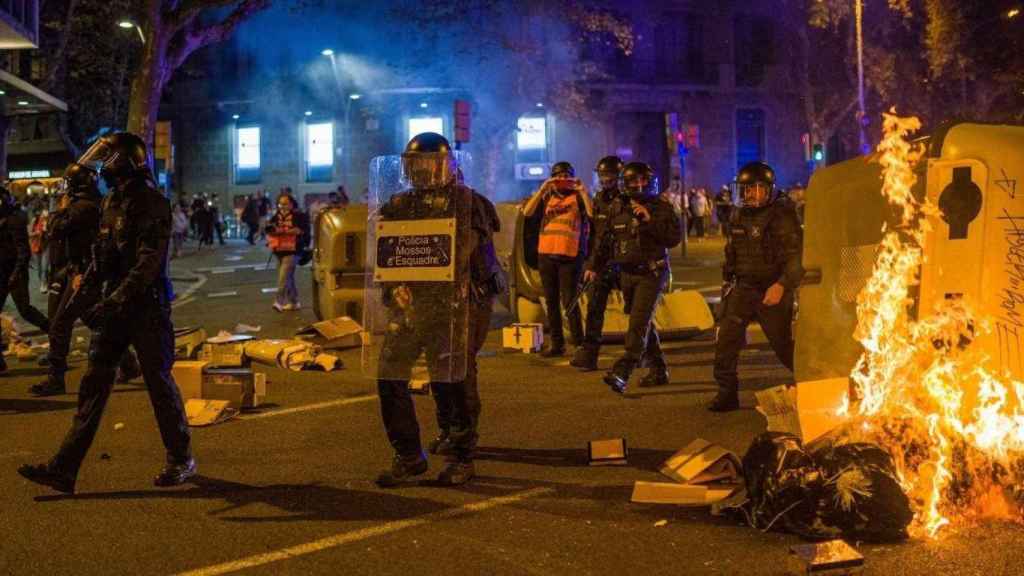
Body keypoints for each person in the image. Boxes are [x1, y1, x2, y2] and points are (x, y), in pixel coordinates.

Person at [18, 132, 194, 493]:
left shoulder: (152, 203)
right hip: (115, 308)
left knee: (158, 384)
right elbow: (102, 258)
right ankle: (64, 469)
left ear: (125, 161)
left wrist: (111, 301)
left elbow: (147, 266)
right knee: (92, 387)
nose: (100, 164)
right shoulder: (111, 201)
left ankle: (181, 458)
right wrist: (82, 302)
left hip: (146, 309)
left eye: (107, 156)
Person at [373, 132, 505, 488]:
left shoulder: (469, 203)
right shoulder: (400, 205)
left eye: (431, 163)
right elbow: (388, 256)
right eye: (415, 165)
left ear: (448, 165)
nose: (423, 171)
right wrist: (393, 289)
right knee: (389, 376)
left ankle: (462, 454)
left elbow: (461, 254)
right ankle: (408, 455)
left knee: (454, 376)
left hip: (462, 303)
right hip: (413, 305)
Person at [710, 161, 804, 412]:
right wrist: (727, 284)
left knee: (784, 346)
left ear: (768, 189)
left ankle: (816, 384)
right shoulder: (739, 213)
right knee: (726, 342)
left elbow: (797, 257)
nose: (750, 194)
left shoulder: (782, 213)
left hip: (771, 287)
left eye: (755, 189)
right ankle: (727, 394)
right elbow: (733, 252)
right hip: (743, 287)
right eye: (746, 189)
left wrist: (782, 285)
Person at [595, 162, 683, 394]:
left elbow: (673, 238)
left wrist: (649, 221)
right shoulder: (617, 208)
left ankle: (623, 370)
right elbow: (605, 240)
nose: (640, 185)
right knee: (642, 322)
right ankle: (659, 369)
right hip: (627, 273)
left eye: (644, 180)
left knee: (637, 324)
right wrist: (593, 265)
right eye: (634, 181)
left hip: (652, 272)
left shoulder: (661, 207)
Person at [521, 161, 593, 357]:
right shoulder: (546, 197)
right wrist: (543, 187)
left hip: (570, 256)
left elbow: (592, 213)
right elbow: (527, 212)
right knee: (551, 301)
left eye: (566, 175)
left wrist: (583, 191)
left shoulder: (578, 197)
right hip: (546, 255)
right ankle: (557, 344)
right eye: (558, 175)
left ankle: (579, 344)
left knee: (569, 301)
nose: (562, 179)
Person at [570, 155, 623, 372]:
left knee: (638, 314)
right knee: (594, 310)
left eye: (609, 176)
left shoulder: (627, 199)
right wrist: (590, 264)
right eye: (602, 176)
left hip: (623, 262)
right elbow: (597, 234)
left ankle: (650, 356)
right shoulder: (601, 198)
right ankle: (589, 354)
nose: (605, 180)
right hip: (602, 263)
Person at [0, 186, 50, 342]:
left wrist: (15, 274)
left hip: (16, 273)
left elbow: (23, 251)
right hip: (3, 272)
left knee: (25, 310)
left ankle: (55, 333)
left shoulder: (14, 219)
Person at [266, 192, 309, 311]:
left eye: (285, 204)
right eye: (280, 204)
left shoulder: (299, 216)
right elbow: (269, 229)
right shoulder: (276, 216)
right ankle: (294, 302)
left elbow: (304, 230)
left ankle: (279, 302)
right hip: (279, 251)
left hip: (294, 250)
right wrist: (271, 229)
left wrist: (294, 231)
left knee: (283, 277)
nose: (282, 206)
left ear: (291, 204)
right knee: (288, 277)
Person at [29, 209, 49, 283]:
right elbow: (29, 234)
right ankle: (42, 280)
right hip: (36, 246)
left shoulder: (48, 222)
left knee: (45, 266)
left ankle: (44, 283)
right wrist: (36, 233)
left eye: (46, 216)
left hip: (46, 246)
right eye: (43, 216)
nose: (44, 218)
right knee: (39, 266)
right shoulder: (35, 220)